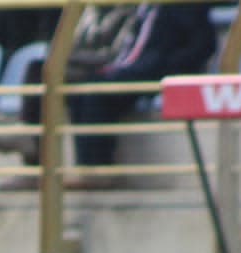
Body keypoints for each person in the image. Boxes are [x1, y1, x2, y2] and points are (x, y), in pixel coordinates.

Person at [62, 1, 214, 188]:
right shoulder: (144, 8)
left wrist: (168, 67)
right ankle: (86, 168)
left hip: (160, 70)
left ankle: (99, 169)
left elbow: (204, 45)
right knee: (84, 88)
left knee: (98, 91)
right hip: (135, 66)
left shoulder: (184, 5)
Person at [0, 4, 139, 189]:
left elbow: (119, 54)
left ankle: (34, 146)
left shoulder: (132, 13)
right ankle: (33, 162)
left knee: (56, 73)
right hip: (85, 65)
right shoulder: (88, 11)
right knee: (40, 68)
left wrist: (67, 60)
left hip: (108, 68)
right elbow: (72, 45)